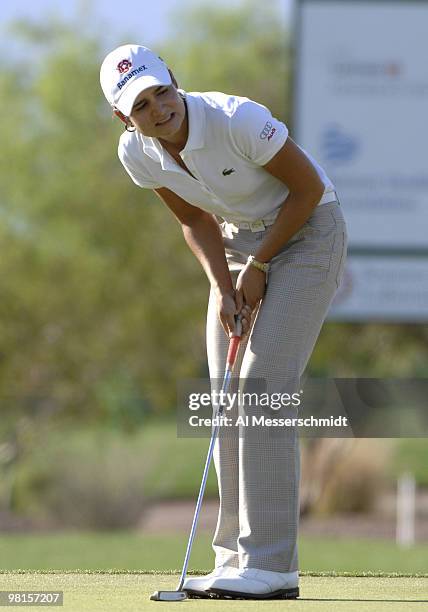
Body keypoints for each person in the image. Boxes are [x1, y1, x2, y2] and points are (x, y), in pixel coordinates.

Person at [100, 44, 348, 600]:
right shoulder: (136, 153)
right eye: (140, 104)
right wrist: (222, 284)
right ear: (124, 117)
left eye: (161, 91)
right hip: (236, 244)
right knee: (226, 398)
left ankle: (272, 565)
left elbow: (307, 189)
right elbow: (193, 216)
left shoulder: (238, 119)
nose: (158, 109)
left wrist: (259, 266)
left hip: (309, 233)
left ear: (175, 81)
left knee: (261, 389)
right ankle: (234, 557)